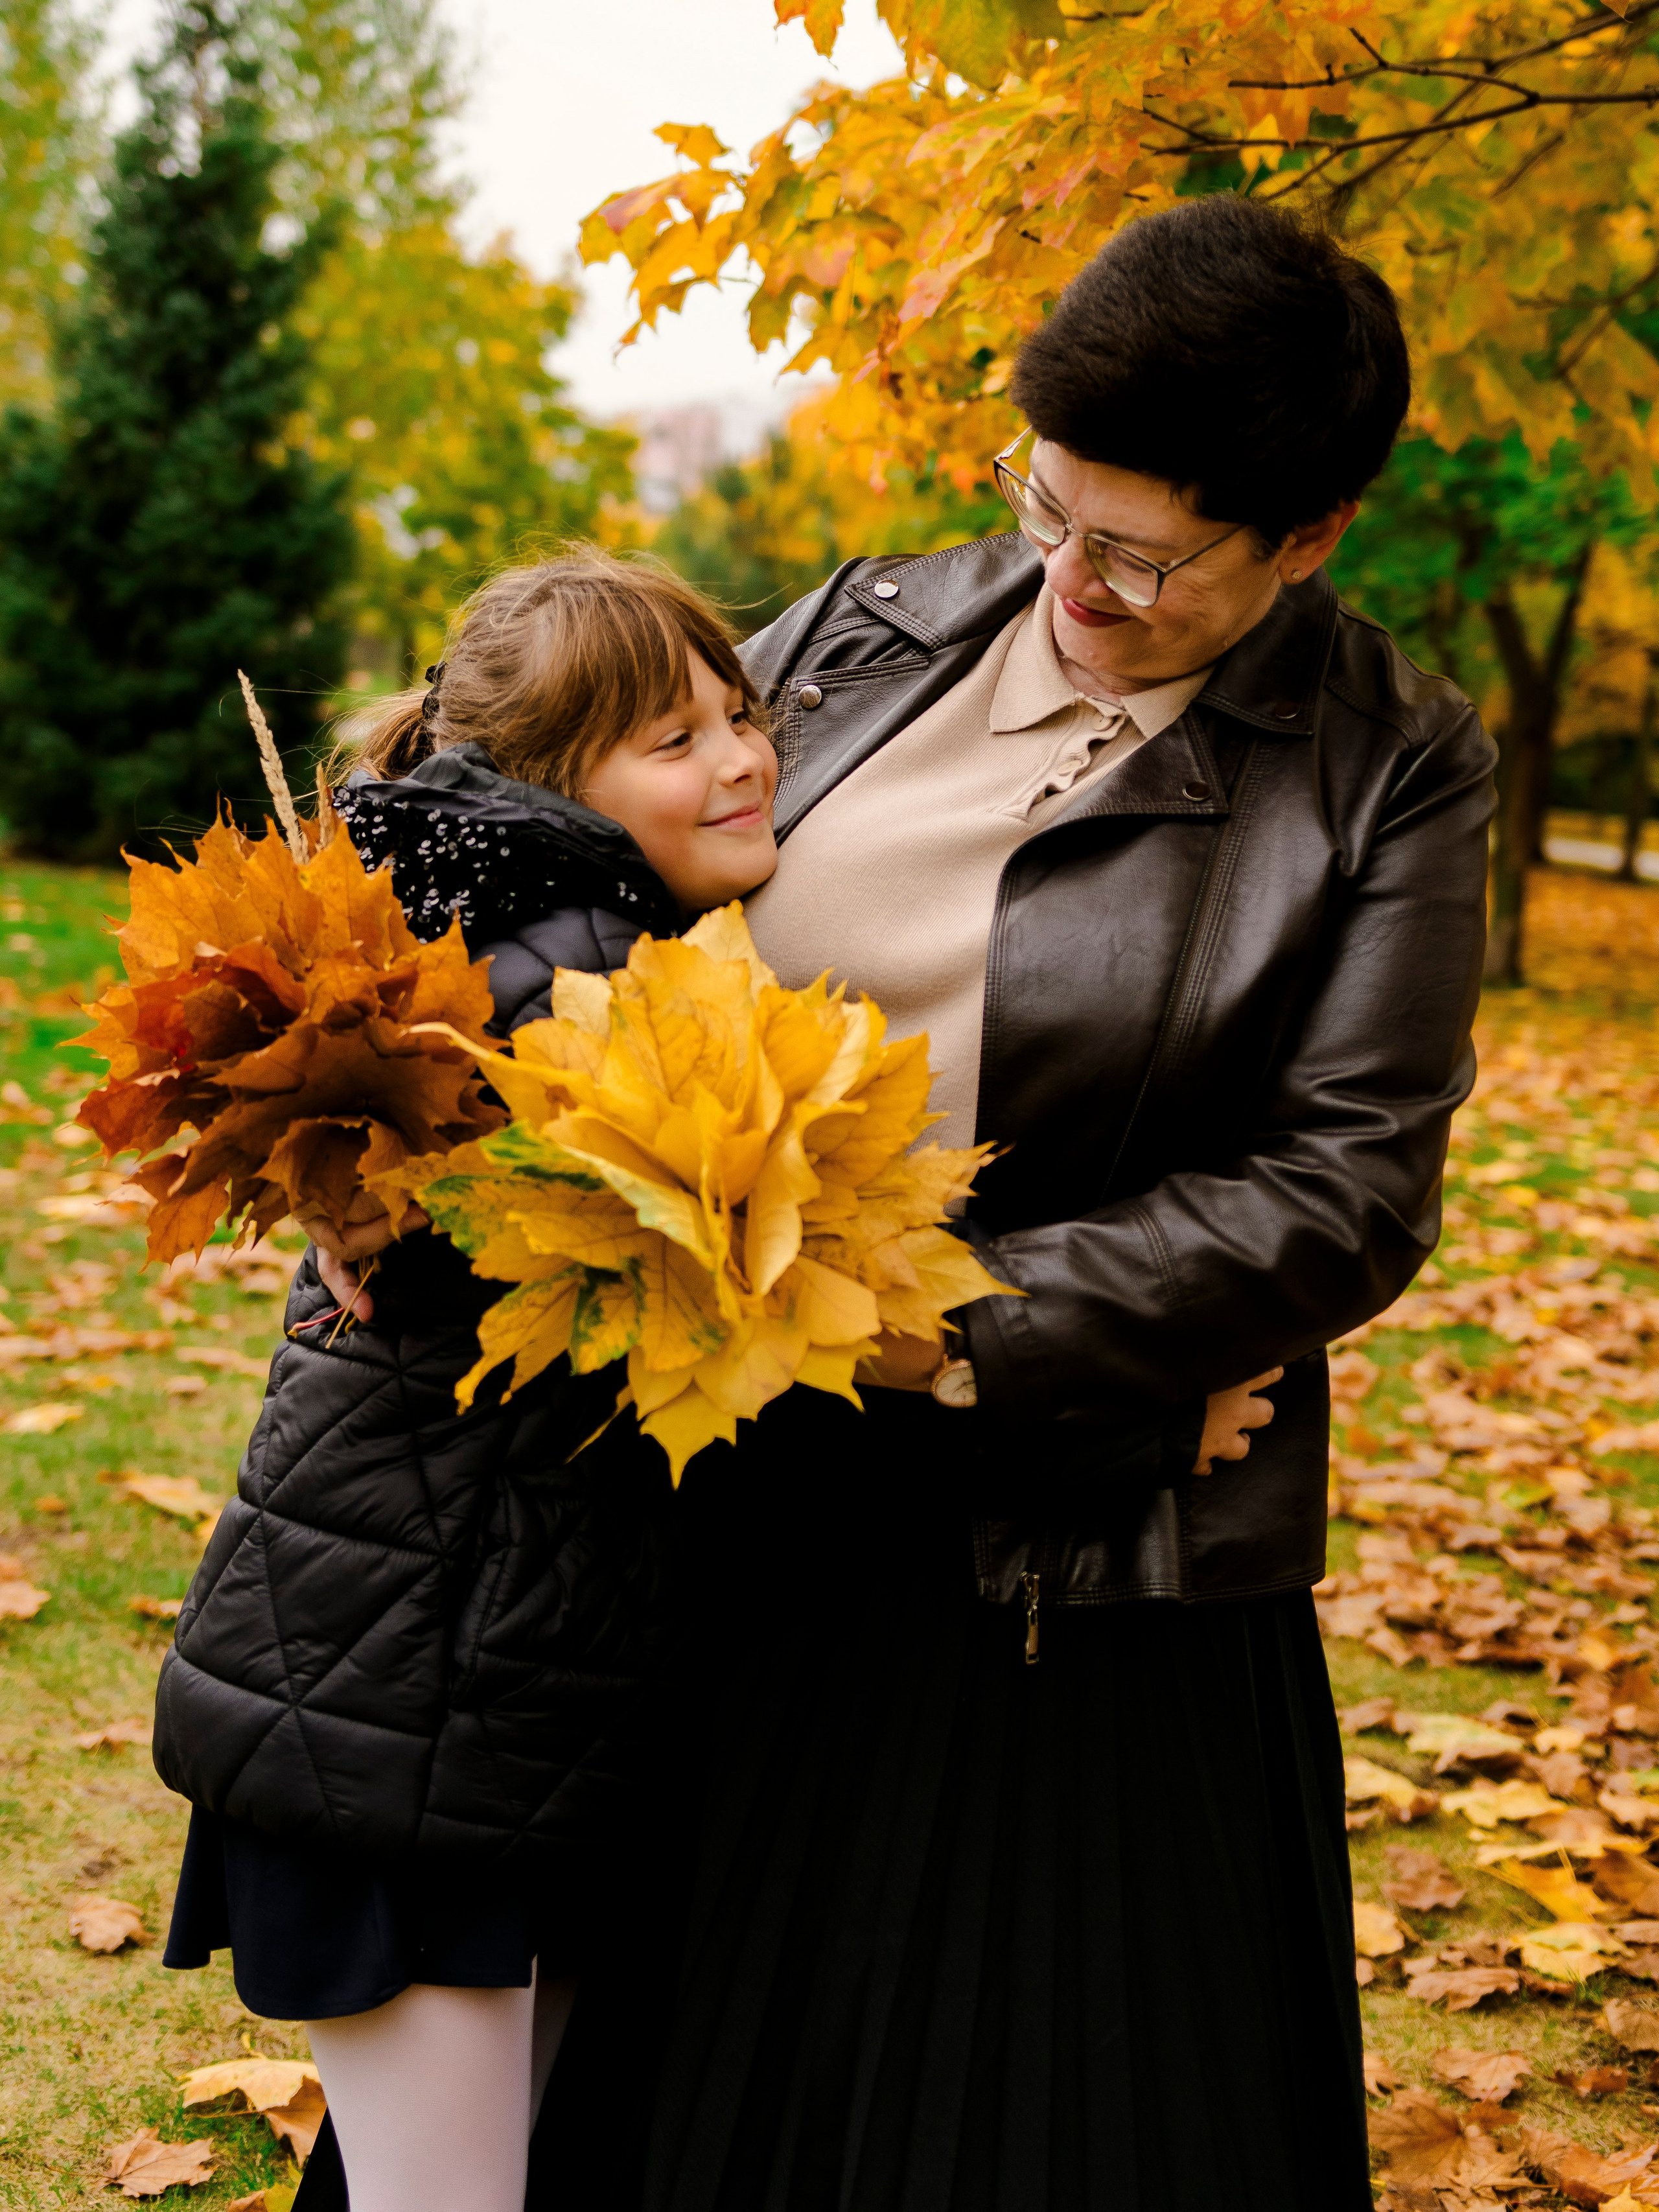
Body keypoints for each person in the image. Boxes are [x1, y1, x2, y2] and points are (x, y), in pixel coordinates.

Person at [638, 194, 1494, 2212]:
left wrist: (946, 1324)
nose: (1075, 586)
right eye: (1052, 513)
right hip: (714, 1482)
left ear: (1306, 538)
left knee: (1041, 2106)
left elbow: (1342, 1189)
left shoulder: (1391, 770)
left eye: (1143, 553)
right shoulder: (863, 623)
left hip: (1071, 1561)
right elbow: (594, 870)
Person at [152, 551, 783, 2212]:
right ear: (541, 790)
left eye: (740, 711)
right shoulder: (560, 981)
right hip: (412, 1737)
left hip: (482, 1718)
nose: (736, 759)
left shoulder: (535, 941)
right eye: (671, 739)